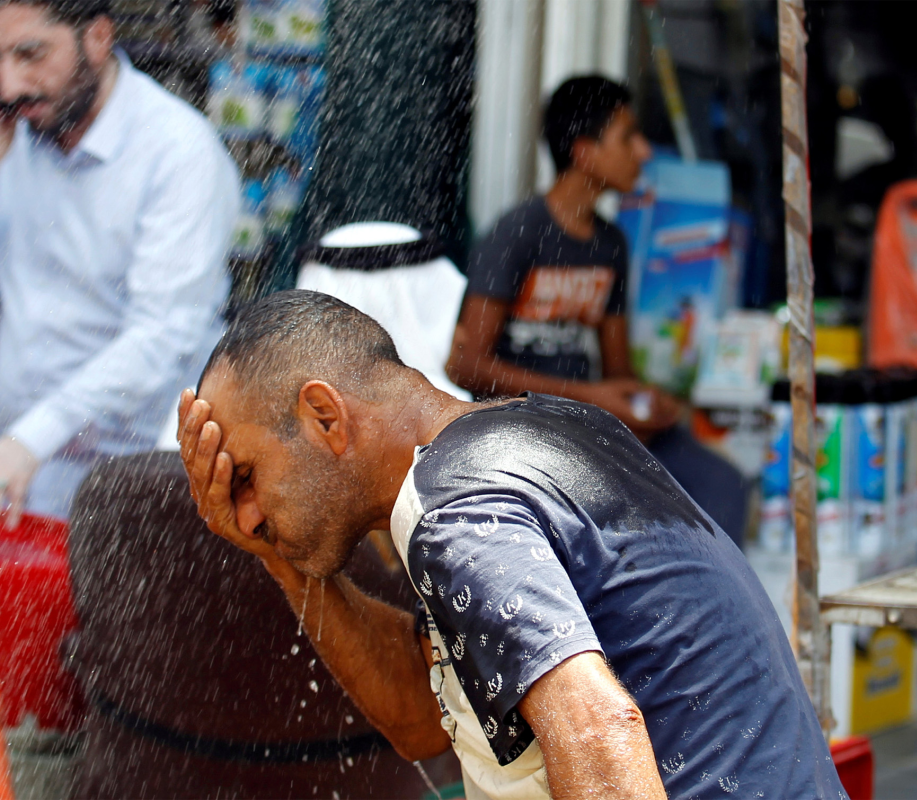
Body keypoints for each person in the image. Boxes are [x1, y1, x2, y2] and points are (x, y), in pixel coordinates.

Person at [178, 290, 846, 800]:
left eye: (245, 477)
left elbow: (599, 733)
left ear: (324, 416)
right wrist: (277, 556)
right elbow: (425, 718)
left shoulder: (454, 510)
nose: (246, 511)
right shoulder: (548, 432)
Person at [447, 75, 748, 543]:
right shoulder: (517, 234)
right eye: (628, 137)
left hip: (589, 427)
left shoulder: (610, 245)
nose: (643, 151)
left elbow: (617, 374)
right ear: (585, 153)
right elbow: (465, 366)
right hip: (521, 435)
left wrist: (647, 403)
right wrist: (590, 398)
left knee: (720, 486)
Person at [0, 0, 239, 524]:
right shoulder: (20, 132)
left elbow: (162, 333)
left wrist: (33, 435)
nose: (10, 85)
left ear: (98, 38)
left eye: (30, 54)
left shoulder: (177, 152)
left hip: (119, 485)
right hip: (14, 464)